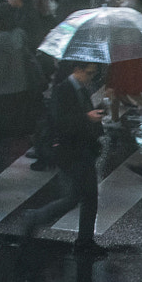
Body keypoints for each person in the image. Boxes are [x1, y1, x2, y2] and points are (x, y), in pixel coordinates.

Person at [21, 60, 105, 250]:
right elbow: (60, 122)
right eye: (89, 73)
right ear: (77, 70)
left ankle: (39, 219)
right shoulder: (63, 90)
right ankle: (83, 241)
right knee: (86, 196)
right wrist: (87, 117)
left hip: (82, 149)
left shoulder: (81, 88)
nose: (91, 78)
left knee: (78, 196)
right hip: (71, 151)